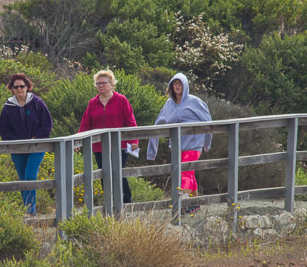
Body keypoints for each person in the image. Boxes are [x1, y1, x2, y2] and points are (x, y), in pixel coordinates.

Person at [147, 73, 212, 213]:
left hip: (194, 143)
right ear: (171, 86)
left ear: (185, 85)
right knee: (188, 172)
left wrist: (207, 142)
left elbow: (208, 121)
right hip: (177, 145)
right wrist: (152, 150)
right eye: (174, 83)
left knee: (185, 171)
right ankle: (195, 203)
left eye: (180, 83)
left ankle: (182, 202)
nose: (177, 85)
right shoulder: (168, 104)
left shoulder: (194, 102)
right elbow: (158, 124)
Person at [78, 69, 137, 204]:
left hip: (119, 145)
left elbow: (130, 122)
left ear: (111, 84)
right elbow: (85, 124)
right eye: (98, 83)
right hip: (99, 147)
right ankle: (110, 202)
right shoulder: (93, 103)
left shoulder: (121, 100)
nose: (101, 86)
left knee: (118, 173)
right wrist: (79, 141)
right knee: (104, 175)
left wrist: (134, 140)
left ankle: (126, 202)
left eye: (104, 83)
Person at [0, 73, 53, 215]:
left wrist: (36, 138)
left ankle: (30, 210)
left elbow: (47, 123)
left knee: (30, 175)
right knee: (22, 178)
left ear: (27, 87)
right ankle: (27, 209)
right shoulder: (8, 106)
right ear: (12, 89)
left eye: (22, 86)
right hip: (17, 148)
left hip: (37, 146)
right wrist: (14, 142)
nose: (19, 89)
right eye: (16, 87)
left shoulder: (37, 102)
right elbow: (3, 129)